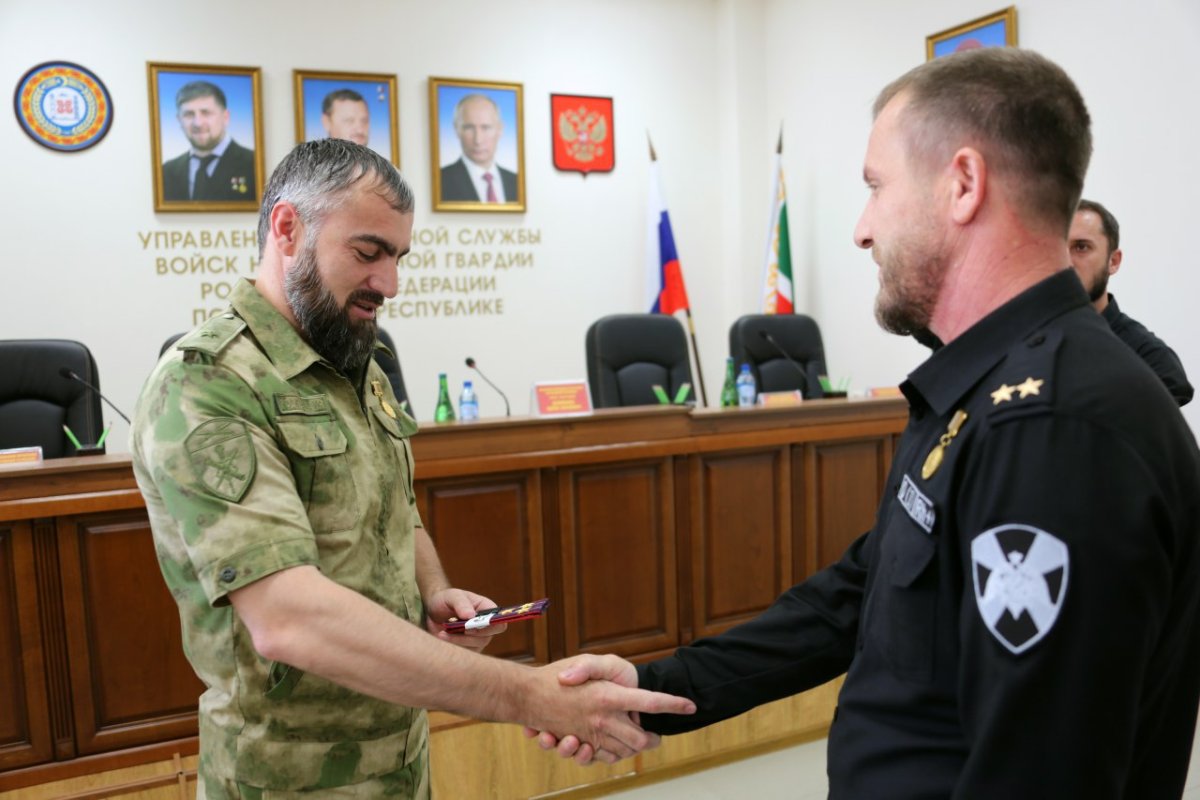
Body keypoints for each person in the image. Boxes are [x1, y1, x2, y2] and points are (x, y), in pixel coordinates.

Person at [532, 48, 1200, 798]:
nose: (861, 229)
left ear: (963, 185)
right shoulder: (981, 383)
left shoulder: (1054, 428)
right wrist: (657, 685)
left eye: (877, 187)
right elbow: (862, 594)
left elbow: (1038, 771)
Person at [131, 138, 694, 798]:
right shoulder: (207, 383)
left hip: (402, 755)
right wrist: (527, 695)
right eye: (368, 252)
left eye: (398, 257)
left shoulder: (356, 363)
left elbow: (394, 506)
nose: (389, 284)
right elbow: (287, 618)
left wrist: (433, 590)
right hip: (286, 778)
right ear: (287, 229)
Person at [1068, 198, 1193, 405]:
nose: (1066, 261)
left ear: (1113, 261)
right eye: (1057, 249)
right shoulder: (1022, 341)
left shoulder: (1148, 357)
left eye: (1081, 247)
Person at [161, 80, 257, 202]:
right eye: (189, 114)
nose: (198, 123)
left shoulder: (254, 164)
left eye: (206, 113)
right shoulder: (166, 171)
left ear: (225, 117)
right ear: (179, 120)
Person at [439, 93, 518, 203]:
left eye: (486, 128)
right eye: (469, 128)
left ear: (500, 129)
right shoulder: (441, 181)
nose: (478, 140)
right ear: (456, 130)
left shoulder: (516, 182)